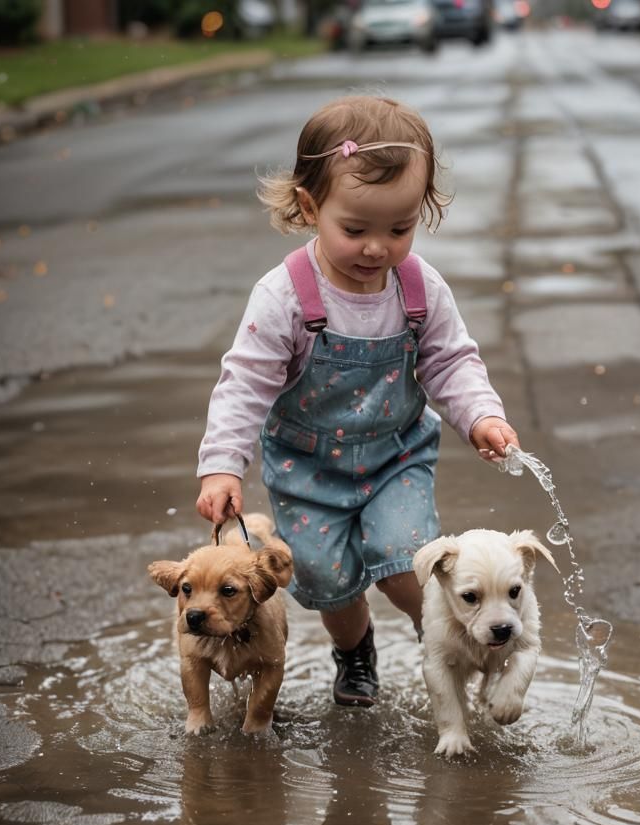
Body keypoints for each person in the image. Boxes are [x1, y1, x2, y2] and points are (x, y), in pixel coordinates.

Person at [195, 95, 519, 708]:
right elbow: (244, 384)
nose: (378, 248)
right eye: (356, 230)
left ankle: (449, 642)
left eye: (399, 229)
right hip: (306, 468)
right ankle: (356, 653)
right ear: (311, 207)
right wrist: (221, 463)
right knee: (326, 578)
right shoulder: (284, 295)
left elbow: (451, 359)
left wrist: (481, 414)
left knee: (407, 561)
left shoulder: (418, 287)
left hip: (395, 456)